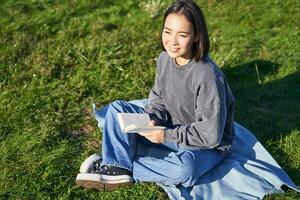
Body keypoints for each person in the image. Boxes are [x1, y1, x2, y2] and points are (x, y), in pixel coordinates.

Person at [76, 0, 235, 191]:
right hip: (167, 127)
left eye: (182, 35)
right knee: (117, 109)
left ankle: (113, 164)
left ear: (196, 36)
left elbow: (211, 135)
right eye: (168, 32)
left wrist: (166, 135)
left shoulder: (207, 76)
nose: (172, 41)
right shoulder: (164, 59)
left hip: (203, 147)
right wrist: (153, 117)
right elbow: (158, 98)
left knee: (185, 170)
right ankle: (117, 164)